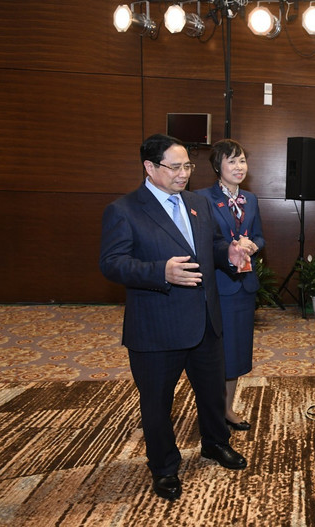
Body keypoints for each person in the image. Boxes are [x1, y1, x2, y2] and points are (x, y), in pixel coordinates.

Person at [99, 134, 249, 501]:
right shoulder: (124, 210)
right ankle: (164, 467)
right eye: (176, 167)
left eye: (188, 166)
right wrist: (159, 272)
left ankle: (215, 443)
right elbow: (112, 263)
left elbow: (208, 246)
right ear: (150, 167)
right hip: (157, 327)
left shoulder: (197, 202)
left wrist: (226, 252)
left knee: (212, 394)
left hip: (204, 321)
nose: (184, 174)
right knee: (157, 405)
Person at [196, 139, 264, 431]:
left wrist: (252, 246)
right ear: (217, 166)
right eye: (232, 161)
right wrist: (230, 248)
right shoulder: (201, 198)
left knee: (236, 352)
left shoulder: (252, 199)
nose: (239, 167)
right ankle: (211, 411)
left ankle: (228, 409)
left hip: (243, 287)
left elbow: (261, 237)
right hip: (218, 287)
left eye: (242, 161)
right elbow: (203, 243)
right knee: (213, 354)